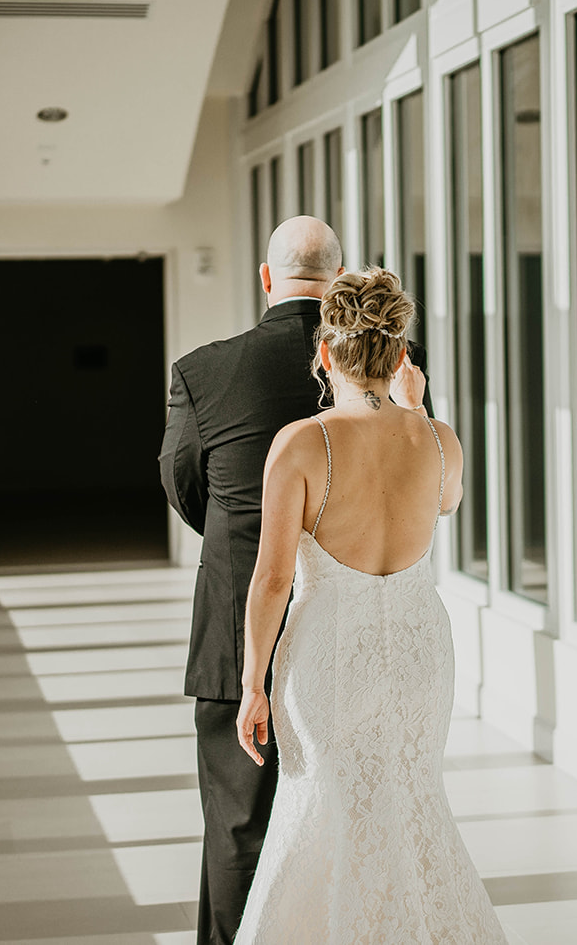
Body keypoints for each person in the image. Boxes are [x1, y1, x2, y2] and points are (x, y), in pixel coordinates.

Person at [158, 219, 430, 945]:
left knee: (238, 831)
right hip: (356, 641)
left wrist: (243, 535)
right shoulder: (391, 369)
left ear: (266, 277)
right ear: (338, 276)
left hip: (236, 629)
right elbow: (420, 485)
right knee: (358, 822)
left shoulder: (201, 371)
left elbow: (185, 488)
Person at [233, 268, 507, 944]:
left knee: (323, 809)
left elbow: (271, 579)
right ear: (399, 355)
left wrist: (251, 684)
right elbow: (447, 499)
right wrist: (414, 406)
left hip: (330, 655)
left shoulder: (301, 444)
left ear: (325, 353)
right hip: (420, 654)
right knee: (414, 805)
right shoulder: (439, 439)